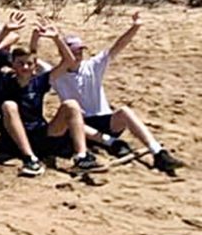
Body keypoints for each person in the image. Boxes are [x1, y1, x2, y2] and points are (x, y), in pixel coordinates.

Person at [45, 12, 184, 175]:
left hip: (104, 120)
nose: (78, 55)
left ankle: (158, 152)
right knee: (72, 120)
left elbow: (118, 45)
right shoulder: (55, 74)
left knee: (125, 111)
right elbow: (31, 61)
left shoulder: (93, 65)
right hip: (80, 124)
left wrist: (135, 27)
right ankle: (111, 143)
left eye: (80, 51)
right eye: (74, 51)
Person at [0, 12, 105, 177]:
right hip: (14, 139)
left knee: (71, 105)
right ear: (13, 64)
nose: (25, 67)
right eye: (20, 63)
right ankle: (30, 159)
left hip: (41, 134)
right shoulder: (5, 79)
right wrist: (4, 31)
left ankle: (81, 157)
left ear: (34, 66)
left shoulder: (40, 81)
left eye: (29, 64)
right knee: (9, 105)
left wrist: (56, 38)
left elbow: (68, 62)